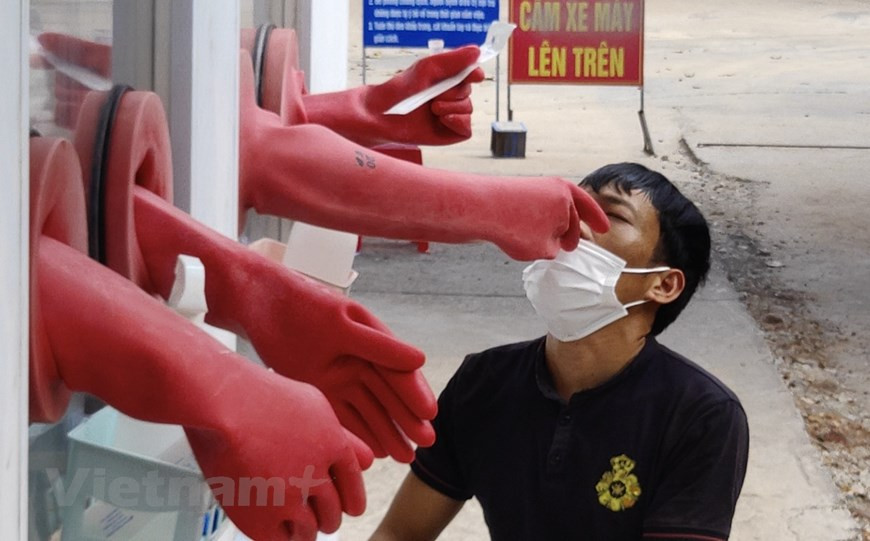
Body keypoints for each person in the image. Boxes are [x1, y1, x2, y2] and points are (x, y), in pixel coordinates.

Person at [370, 162, 750, 541]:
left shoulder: (701, 415)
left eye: (611, 214)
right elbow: (401, 532)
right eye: (576, 206)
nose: (575, 224)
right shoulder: (484, 382)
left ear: (664, 284)